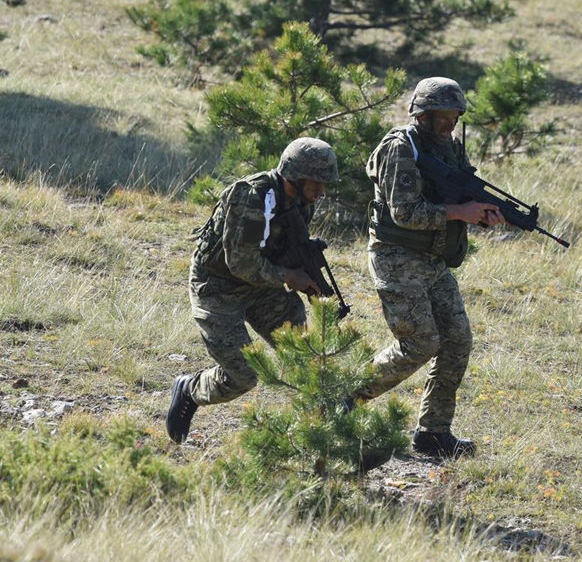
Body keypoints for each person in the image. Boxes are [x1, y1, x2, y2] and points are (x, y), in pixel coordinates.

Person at [352, 77, 502, 458]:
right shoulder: (400, 149)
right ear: (422, 114)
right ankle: (342, 399)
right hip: (397, 258)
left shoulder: (450, 150)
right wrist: (458, 212)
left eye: (454, 116)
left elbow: (464, 195)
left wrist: (484, 214)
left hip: (433, 261)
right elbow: (404, 213)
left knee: (457, 340)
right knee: (419, 343)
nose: (449, 124)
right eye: (442, 116)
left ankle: (433, 432)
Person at [166, 138, 339, 444]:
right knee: (242, 377)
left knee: (303, 354)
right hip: (218, 288)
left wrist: (309, 278)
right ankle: (190, 389)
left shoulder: (302, 204)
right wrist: (289, 277)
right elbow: (240, 263)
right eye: (317, 182)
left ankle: (321, 436)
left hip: (263, 288)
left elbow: (286, 248)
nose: (322, 191)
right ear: (295, 176)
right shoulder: (251, 196)